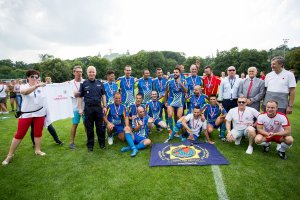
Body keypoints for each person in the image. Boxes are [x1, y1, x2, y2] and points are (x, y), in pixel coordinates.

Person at [2, 70, 47, 166]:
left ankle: (38, 150)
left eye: (36, 77)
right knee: (19, 134)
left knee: (38, 132)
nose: (34, 78)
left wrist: (65, 84)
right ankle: (10, 155)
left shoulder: (42, 87)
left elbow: (52, 89)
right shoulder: (24, 86)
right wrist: (36, 86)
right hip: (26, 114)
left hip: (39, 113)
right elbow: (25, 92)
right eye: (32, 76)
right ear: (28, 77)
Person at [78, 66, 107, 152]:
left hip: (98, 108)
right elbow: (80, 97)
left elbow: (103, 95)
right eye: (90, 72)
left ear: (95, 73)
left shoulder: (100, 83)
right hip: (88, 109)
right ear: (87, 73)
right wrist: (80, 109)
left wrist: (104, 106)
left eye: (93, 72)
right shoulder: (83, 84)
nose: (91, 73)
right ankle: (90, 145)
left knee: (100, 127)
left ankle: (102, 144)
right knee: (89, 128)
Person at [30, 76, 63, 146]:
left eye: (39, 80)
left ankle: (57, 140)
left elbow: (55, 86)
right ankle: (34, 143)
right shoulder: (30, 88)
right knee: (33, 128)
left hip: (43, 111)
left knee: (49, 126)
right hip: (33, 112)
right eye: (36, 80)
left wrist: (65, 83)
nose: (38, 81)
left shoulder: (44, 87)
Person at [165, 67, 187, 133]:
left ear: (179, 73)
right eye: (174, 72)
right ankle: (171, 130)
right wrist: (165, 101)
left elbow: (186, 90)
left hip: (180, 101)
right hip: (171, 101)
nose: (175, 73)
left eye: (176, 72)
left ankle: (176, 130)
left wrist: (180, 83)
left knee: (179, 116)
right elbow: (166, 92)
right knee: (169, 115)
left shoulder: (184, 81)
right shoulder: (169, 82)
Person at [69, 65, 85, 149]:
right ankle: (71, 142)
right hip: (75, 108)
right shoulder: (70, 83)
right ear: (74, 73)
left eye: (81, 72)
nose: (79, 73)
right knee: (74, 124)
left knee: (87, 124)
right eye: (77, 71)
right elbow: (69, 94)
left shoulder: (85, 81)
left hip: (85, 107)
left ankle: (88, 140)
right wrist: (74, 94)